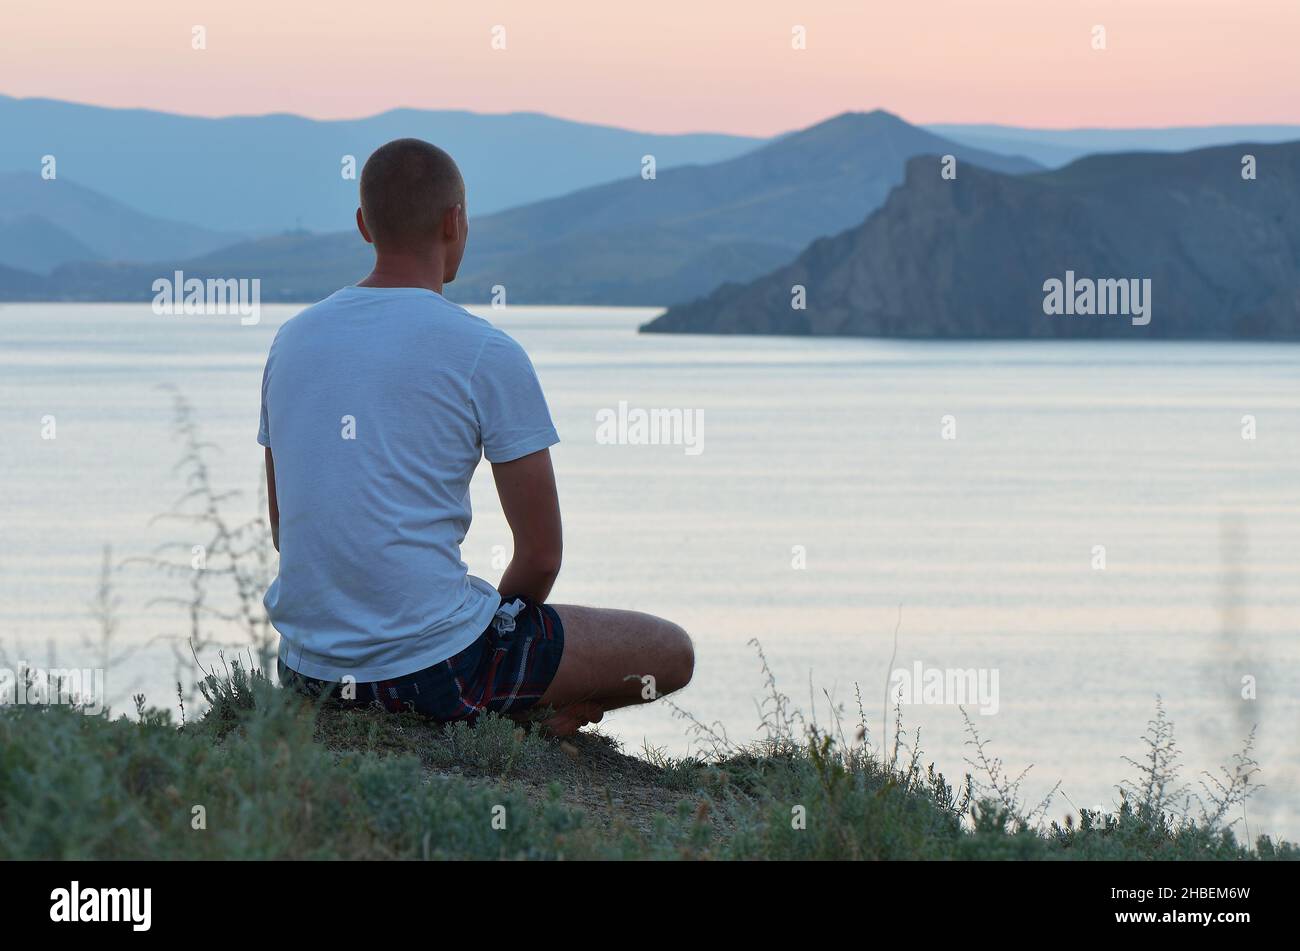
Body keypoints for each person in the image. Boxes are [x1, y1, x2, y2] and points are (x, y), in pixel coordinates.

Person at [256, 138, 693, 735]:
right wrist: (496, 626)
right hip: (438, 672)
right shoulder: (485, 351)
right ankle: (519, 709)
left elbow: (287, 531)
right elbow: (541, 557)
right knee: (670, 651)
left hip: (309, 676)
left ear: (363, 225)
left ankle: (508, 701)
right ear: (455, 221)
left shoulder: (291, 341)